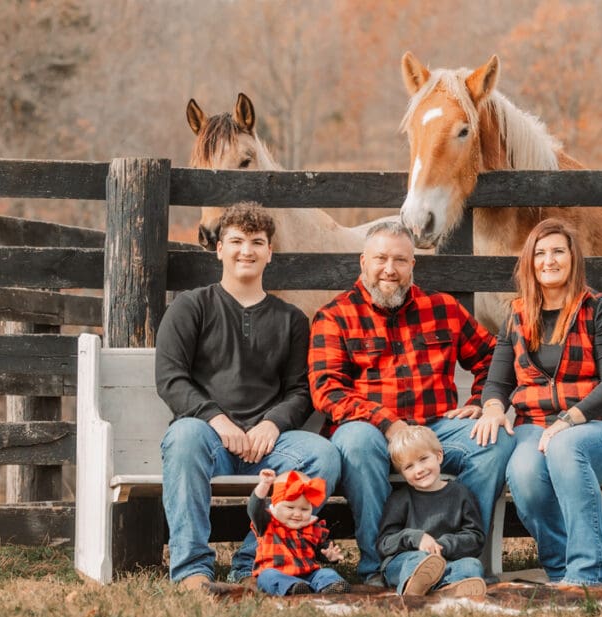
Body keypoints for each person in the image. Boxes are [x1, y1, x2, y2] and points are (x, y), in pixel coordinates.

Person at [308, 221, 514, 586]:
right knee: (355, 442)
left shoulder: (443, 309)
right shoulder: (334, 316)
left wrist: (481, 402)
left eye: (400, 260)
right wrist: (387, 422)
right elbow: (327, 390)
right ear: (363, 262)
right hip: (370, 432)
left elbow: (494, 357)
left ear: (412, 265)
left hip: (435, 428)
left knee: (492, 440)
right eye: (381, 259)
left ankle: (462, 557)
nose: (390, 269)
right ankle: (380, 564)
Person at [156, 202, 341, 590]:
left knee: (323, 453)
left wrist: (272, 424)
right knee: (183, 438)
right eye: (237, 240)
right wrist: (216, 420)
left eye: (257, 242)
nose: (247, 250)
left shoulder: (291, 319)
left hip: (268, 445)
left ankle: (254, 559)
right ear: (219, 248)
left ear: (269, 252)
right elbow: (171, 379)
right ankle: (192, 569)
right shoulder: (191, 306)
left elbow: (301, 390)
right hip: (210, 439)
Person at [471, 218, 602, 585]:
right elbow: (497, 382)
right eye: (540, 253)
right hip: (534, 428)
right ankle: (562, 571)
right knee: (524, 472)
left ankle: (590, 574)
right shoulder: (516, 315)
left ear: (573, 258)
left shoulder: (599, 310)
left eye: (558, 251)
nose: (549, 260)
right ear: (529, 262)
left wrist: (568, 420)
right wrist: (493, 409)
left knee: (565, 447)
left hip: (600, 430)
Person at [377, 426, 487, 597]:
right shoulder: (399, 499)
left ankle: (446, 590)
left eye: (423, 459)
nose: (419, 469)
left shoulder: (461, 494)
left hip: (447, 561)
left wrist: (441, 546)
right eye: (409, 467)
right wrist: (415, 538)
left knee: (472, 565)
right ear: (402, 473)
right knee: (417, 561)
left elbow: (475, 538)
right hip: (404, 562)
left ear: (439, 456)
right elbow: (384, 544)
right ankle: (413, 589)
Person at [247, 469, 350, 595]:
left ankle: (332, 586)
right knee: (267, 577)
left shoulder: (313, 527)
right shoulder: (267, 523)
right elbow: (254, 508)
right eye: (290, 507)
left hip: (308, 574)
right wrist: (264, 485)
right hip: (277, 572)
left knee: (326, 573)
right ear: (276, 505)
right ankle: (291, 588)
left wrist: (329, 555)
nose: (297, 514)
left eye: (304, 509)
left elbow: (319, 551)